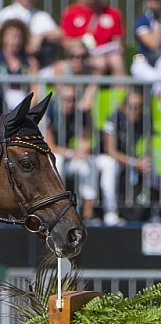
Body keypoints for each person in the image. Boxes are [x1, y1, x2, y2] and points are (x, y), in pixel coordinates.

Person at [93, 88, 155, 226]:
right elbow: (110, 150)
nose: (136, 110)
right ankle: (111, 212)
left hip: (127, 160)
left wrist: (145, 160)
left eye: (139, 107)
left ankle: (153, 211)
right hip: (103, 158)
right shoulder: (113, 119)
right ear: (124, 106)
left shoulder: (142, 122)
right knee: (110, 165)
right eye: (132, 107)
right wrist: (134, 162)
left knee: (151, 165)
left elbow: (148, 146)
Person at [43, 85, 96, 222]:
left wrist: (81, 149)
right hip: (50, 160)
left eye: (73, 100)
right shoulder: (51, 112)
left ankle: (88, 213)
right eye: (66, 99)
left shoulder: (80, 114)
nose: (70, 103)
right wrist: (72, 153)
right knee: (58, 160)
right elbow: (50, 146)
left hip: (70, 158)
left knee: (88, 163)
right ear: (59, 100)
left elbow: (85, 144)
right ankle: (58, 209)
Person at [0, 19, 39, 112]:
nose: (14, 42)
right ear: (3, 37)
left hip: (22, 106)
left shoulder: (30, 61)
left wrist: (26, 111)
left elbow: (35, 89)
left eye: (18, 37)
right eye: (11, 37)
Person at [59, 0, 126, 76]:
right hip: (82, 55)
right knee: (99, 63)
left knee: (116, 60)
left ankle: (120, 87)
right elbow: (66, 41)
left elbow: (118, 41)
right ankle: (92, 87)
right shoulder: (71, 12)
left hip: (107, 54)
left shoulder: (113, 13)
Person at [0, 0, 63, 70]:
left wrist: (40, 36)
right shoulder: (5, 14)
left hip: (41, 65)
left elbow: (59, 34)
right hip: (9, 63)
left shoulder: (42, 15)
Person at [45, 39, 98, 111]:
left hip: (81, 109)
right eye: (73, 56)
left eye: (83, 56)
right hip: (61, 106)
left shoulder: (92, 73)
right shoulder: (60, 68)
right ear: (68, 56)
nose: (78, 60)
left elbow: (88, 100)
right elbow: (60, 92)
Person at [130, 0, 161, 99]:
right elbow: (153, 44)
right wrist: (158, 21)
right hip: (143, 59)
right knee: (156, 79)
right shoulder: (142, 20)